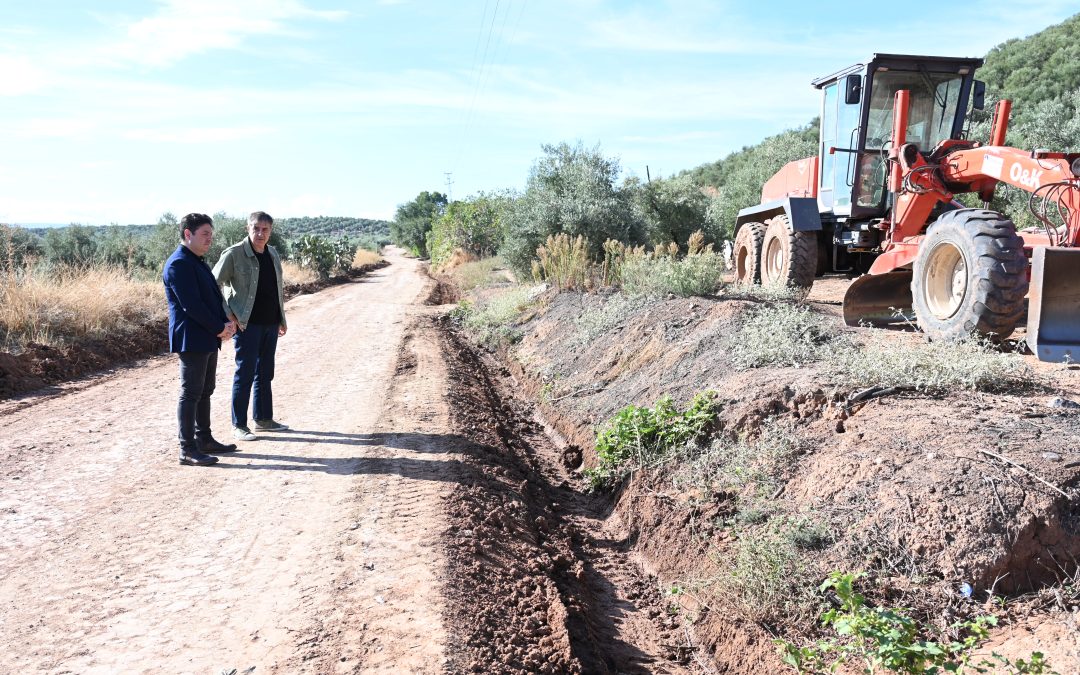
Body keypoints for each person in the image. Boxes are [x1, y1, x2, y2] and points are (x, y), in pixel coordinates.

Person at [163, 213, 238, 466]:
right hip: (191, 338)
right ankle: (187, 448)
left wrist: (225, 324)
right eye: (205, 233)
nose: (210, 238)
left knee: (206, 389)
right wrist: (219, 327)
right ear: (188, 234)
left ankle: (203, 439)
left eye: (211, 233)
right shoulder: (178, 264)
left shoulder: (197, 261)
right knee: (191, 393)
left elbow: (212, 298)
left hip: (207, 335)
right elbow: (191, 306)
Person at [213, 211, 289, 441]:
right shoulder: (234, 254)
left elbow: (277, 288)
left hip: (270, 323)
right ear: (248, 228)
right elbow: (213, 284)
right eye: (256, 228)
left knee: (265, 373)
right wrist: (229, 315)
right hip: (247, 326)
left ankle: (264, 419)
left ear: (270, 231)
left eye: (265, 229)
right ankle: (239, 425)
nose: (260, 233)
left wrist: (281, 319)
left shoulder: (273, 253)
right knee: (244, 373)